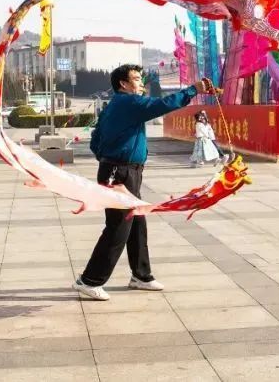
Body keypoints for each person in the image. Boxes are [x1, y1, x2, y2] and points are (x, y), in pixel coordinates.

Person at [73, 65, 209, 301]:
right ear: (123, 84)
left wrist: (105, 156)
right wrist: (192, 90)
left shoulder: (117, 105)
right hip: (119, 172)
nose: (141, 83)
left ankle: (141, 275)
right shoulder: (128, 102)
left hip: (124, 170)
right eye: (136, 79)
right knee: (118, 227)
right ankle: (89, 280)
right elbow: (162, 105)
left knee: (137, 223)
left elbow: (96, 138)